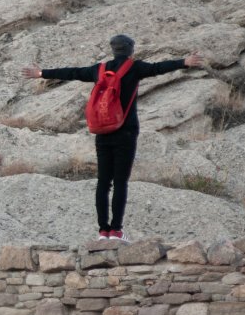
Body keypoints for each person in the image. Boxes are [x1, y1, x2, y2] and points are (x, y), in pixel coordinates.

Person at [20, 35, 204, 242]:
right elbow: (157, 68)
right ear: (131, 50)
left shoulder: (99, 70)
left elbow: (73, 72)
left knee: (103, 182)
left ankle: (102, 232)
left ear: (113, 50)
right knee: (120, 183)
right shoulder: (135, 68)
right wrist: (184, 62)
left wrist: (41, 73)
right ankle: (116, 231)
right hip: (125, 132)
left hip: (102, 132)